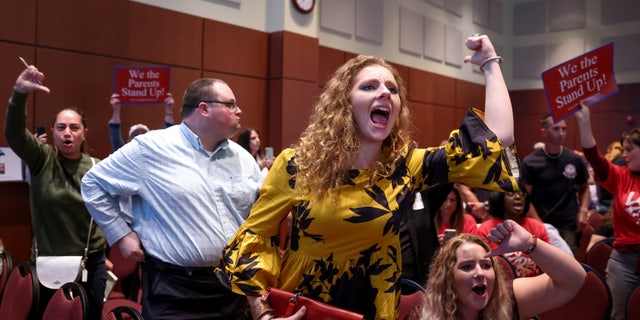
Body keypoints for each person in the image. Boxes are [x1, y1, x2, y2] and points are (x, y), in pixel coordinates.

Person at [220, 34, 520, 319]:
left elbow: (496, 140)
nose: (385, 93)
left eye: (392, 89)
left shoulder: (406, 167)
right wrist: (264, 314)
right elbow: (254, 238)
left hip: (374, 309)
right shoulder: (297, 166)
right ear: (343, 103)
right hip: (304, 309)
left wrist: (490, 64)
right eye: (369, 87)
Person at [82, 78, 263, 319]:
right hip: (173, 291)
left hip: (232, 289)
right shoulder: (150, 148)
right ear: (204, 108)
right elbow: (93, 183)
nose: (238, 110)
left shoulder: (244, 159)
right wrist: (120, 235)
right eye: (230, 104)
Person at [5, 65, 107, 319]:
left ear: (84, 133)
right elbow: (14, 134)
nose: (67, 133)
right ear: (52, 132)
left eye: (74, 128)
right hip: (48, 262)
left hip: (90, 263)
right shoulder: (42, 159)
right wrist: (20, 93)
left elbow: (109, 212)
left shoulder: (97, 168)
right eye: (61, 127)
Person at [420, 221, 586, 320]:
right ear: (448, 278)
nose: (480, 273)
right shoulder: (430, 313)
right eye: (467, 266)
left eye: (486, 265)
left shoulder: (507, 300)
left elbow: (574, 280)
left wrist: (528, 243)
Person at [575, 103, 640, 320]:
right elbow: (594, 157)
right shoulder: (622, 176)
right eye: (624, 149)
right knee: (617, 315)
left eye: (630, 149)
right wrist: (584, 122)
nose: (625, 154)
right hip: (625, 261)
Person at [520, 114, 590, 256]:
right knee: (544, 266)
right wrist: (540, 225)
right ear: (544, 132)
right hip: (542, 222)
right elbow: (524, 197)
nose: (561, 133)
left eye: (564, 129)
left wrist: (583, 210)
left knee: (570, 265)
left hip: (568, 224)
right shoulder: (531, 162)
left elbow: (584, 187)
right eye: (556, 129)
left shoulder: (574, 159)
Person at [477, 190, 550, 277]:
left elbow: (548, 262)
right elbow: (481, 263)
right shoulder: (485, 229)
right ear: (499, 198)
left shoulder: (537, 226)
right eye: (511, 194)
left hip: (536, 284)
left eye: (522, 194)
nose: (518, 197)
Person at [108, 92, 176, 152]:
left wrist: (169, 110)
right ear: (128, 142)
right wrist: (116, 111)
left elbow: (168, 137)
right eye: (136, 136)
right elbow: (115, 138)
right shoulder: (124, 156)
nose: (140, 139)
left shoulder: (157, 156)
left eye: (144, 135)